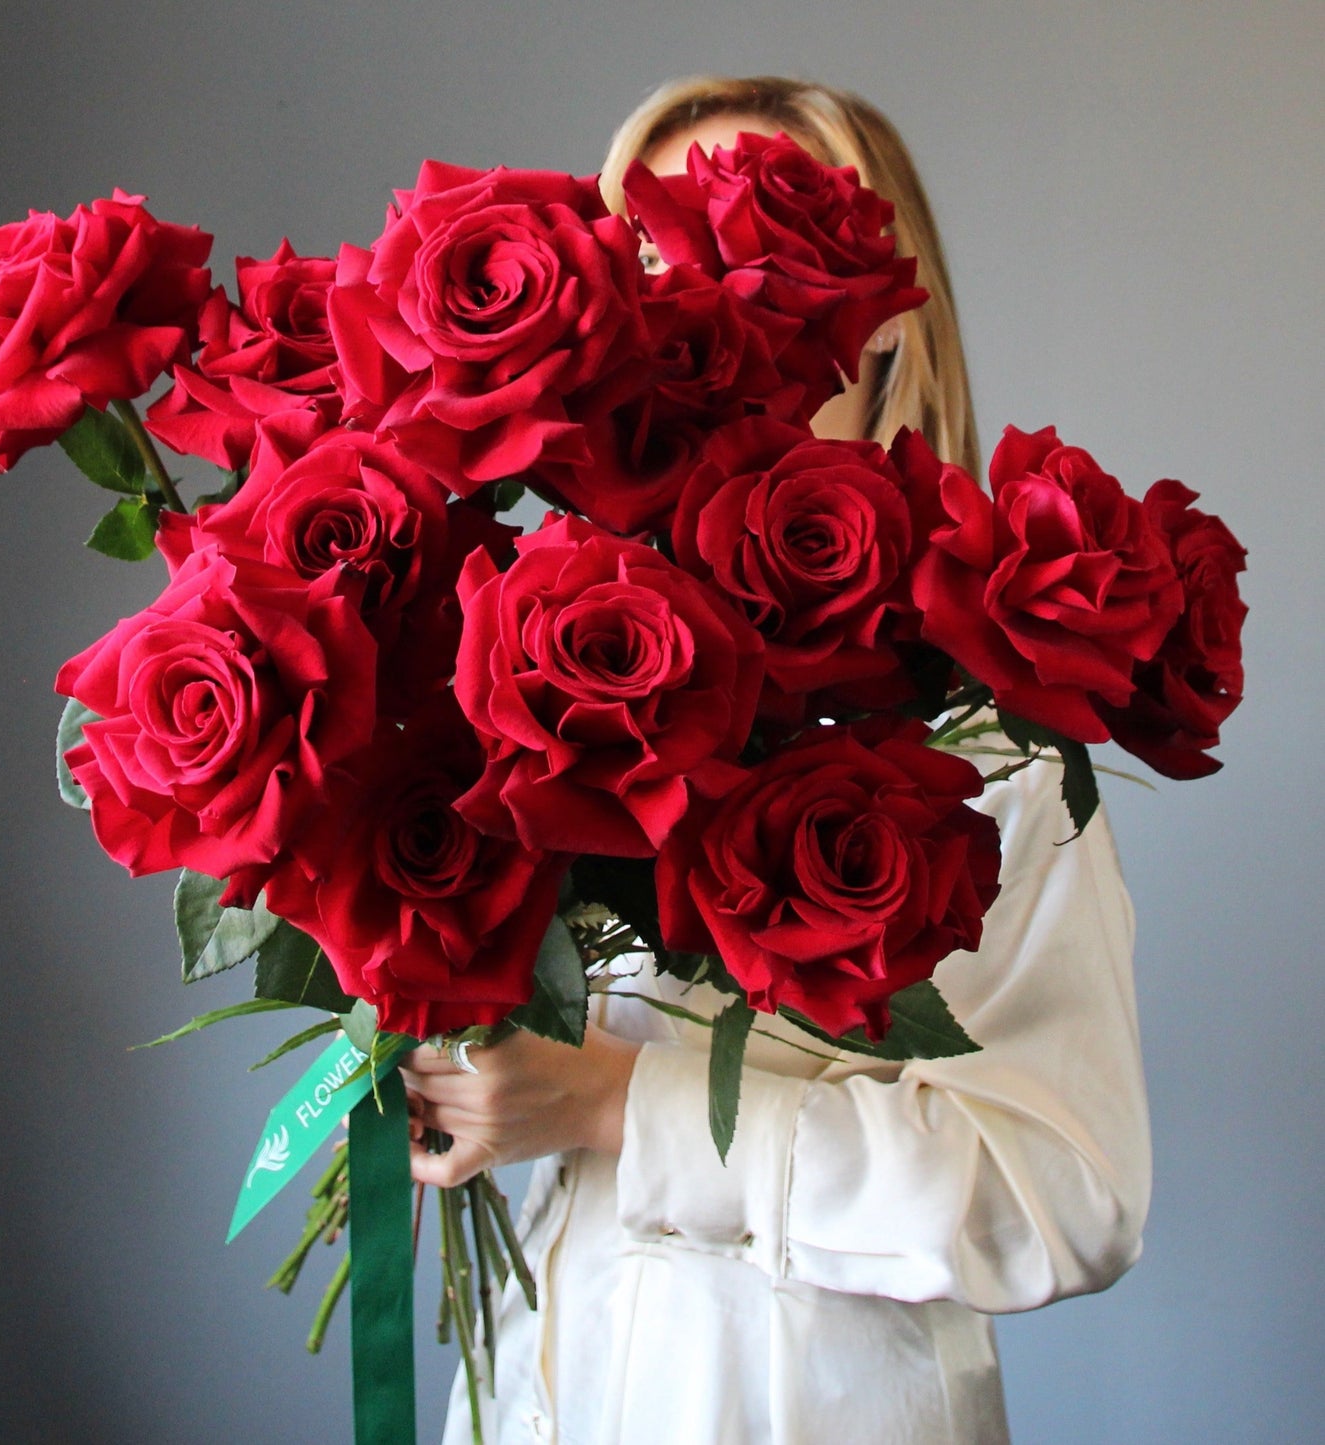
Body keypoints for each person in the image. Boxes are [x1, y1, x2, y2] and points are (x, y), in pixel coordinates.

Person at [402, 74, 1151, 1445]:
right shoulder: (549, 677)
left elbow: (1068, 1186)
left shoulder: (994, 738)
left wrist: (630, 1106)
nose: (686, 310)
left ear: (880, 323)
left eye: (747, 256)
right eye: (645, 267)